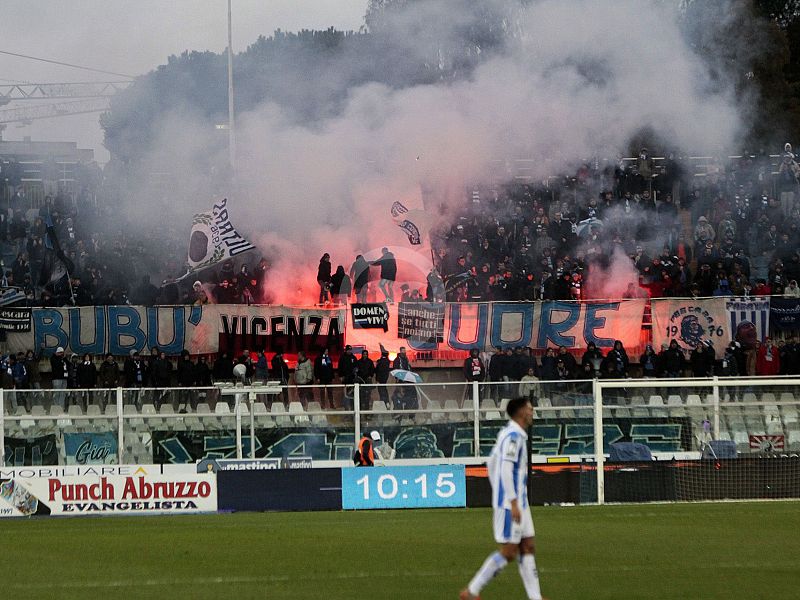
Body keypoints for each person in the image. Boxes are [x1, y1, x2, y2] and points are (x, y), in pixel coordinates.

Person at [460, 397, 545, 600]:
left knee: (528, 545)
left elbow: (491, 463)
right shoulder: (513, 437)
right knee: (509, 551)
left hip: (520, 502)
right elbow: (506, 468)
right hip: (510, 504)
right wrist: (511, 500)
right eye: (529, 408)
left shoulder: (512, 434)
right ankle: (471, 591)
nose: (532, 412)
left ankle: (535, 597)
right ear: (521, 412)